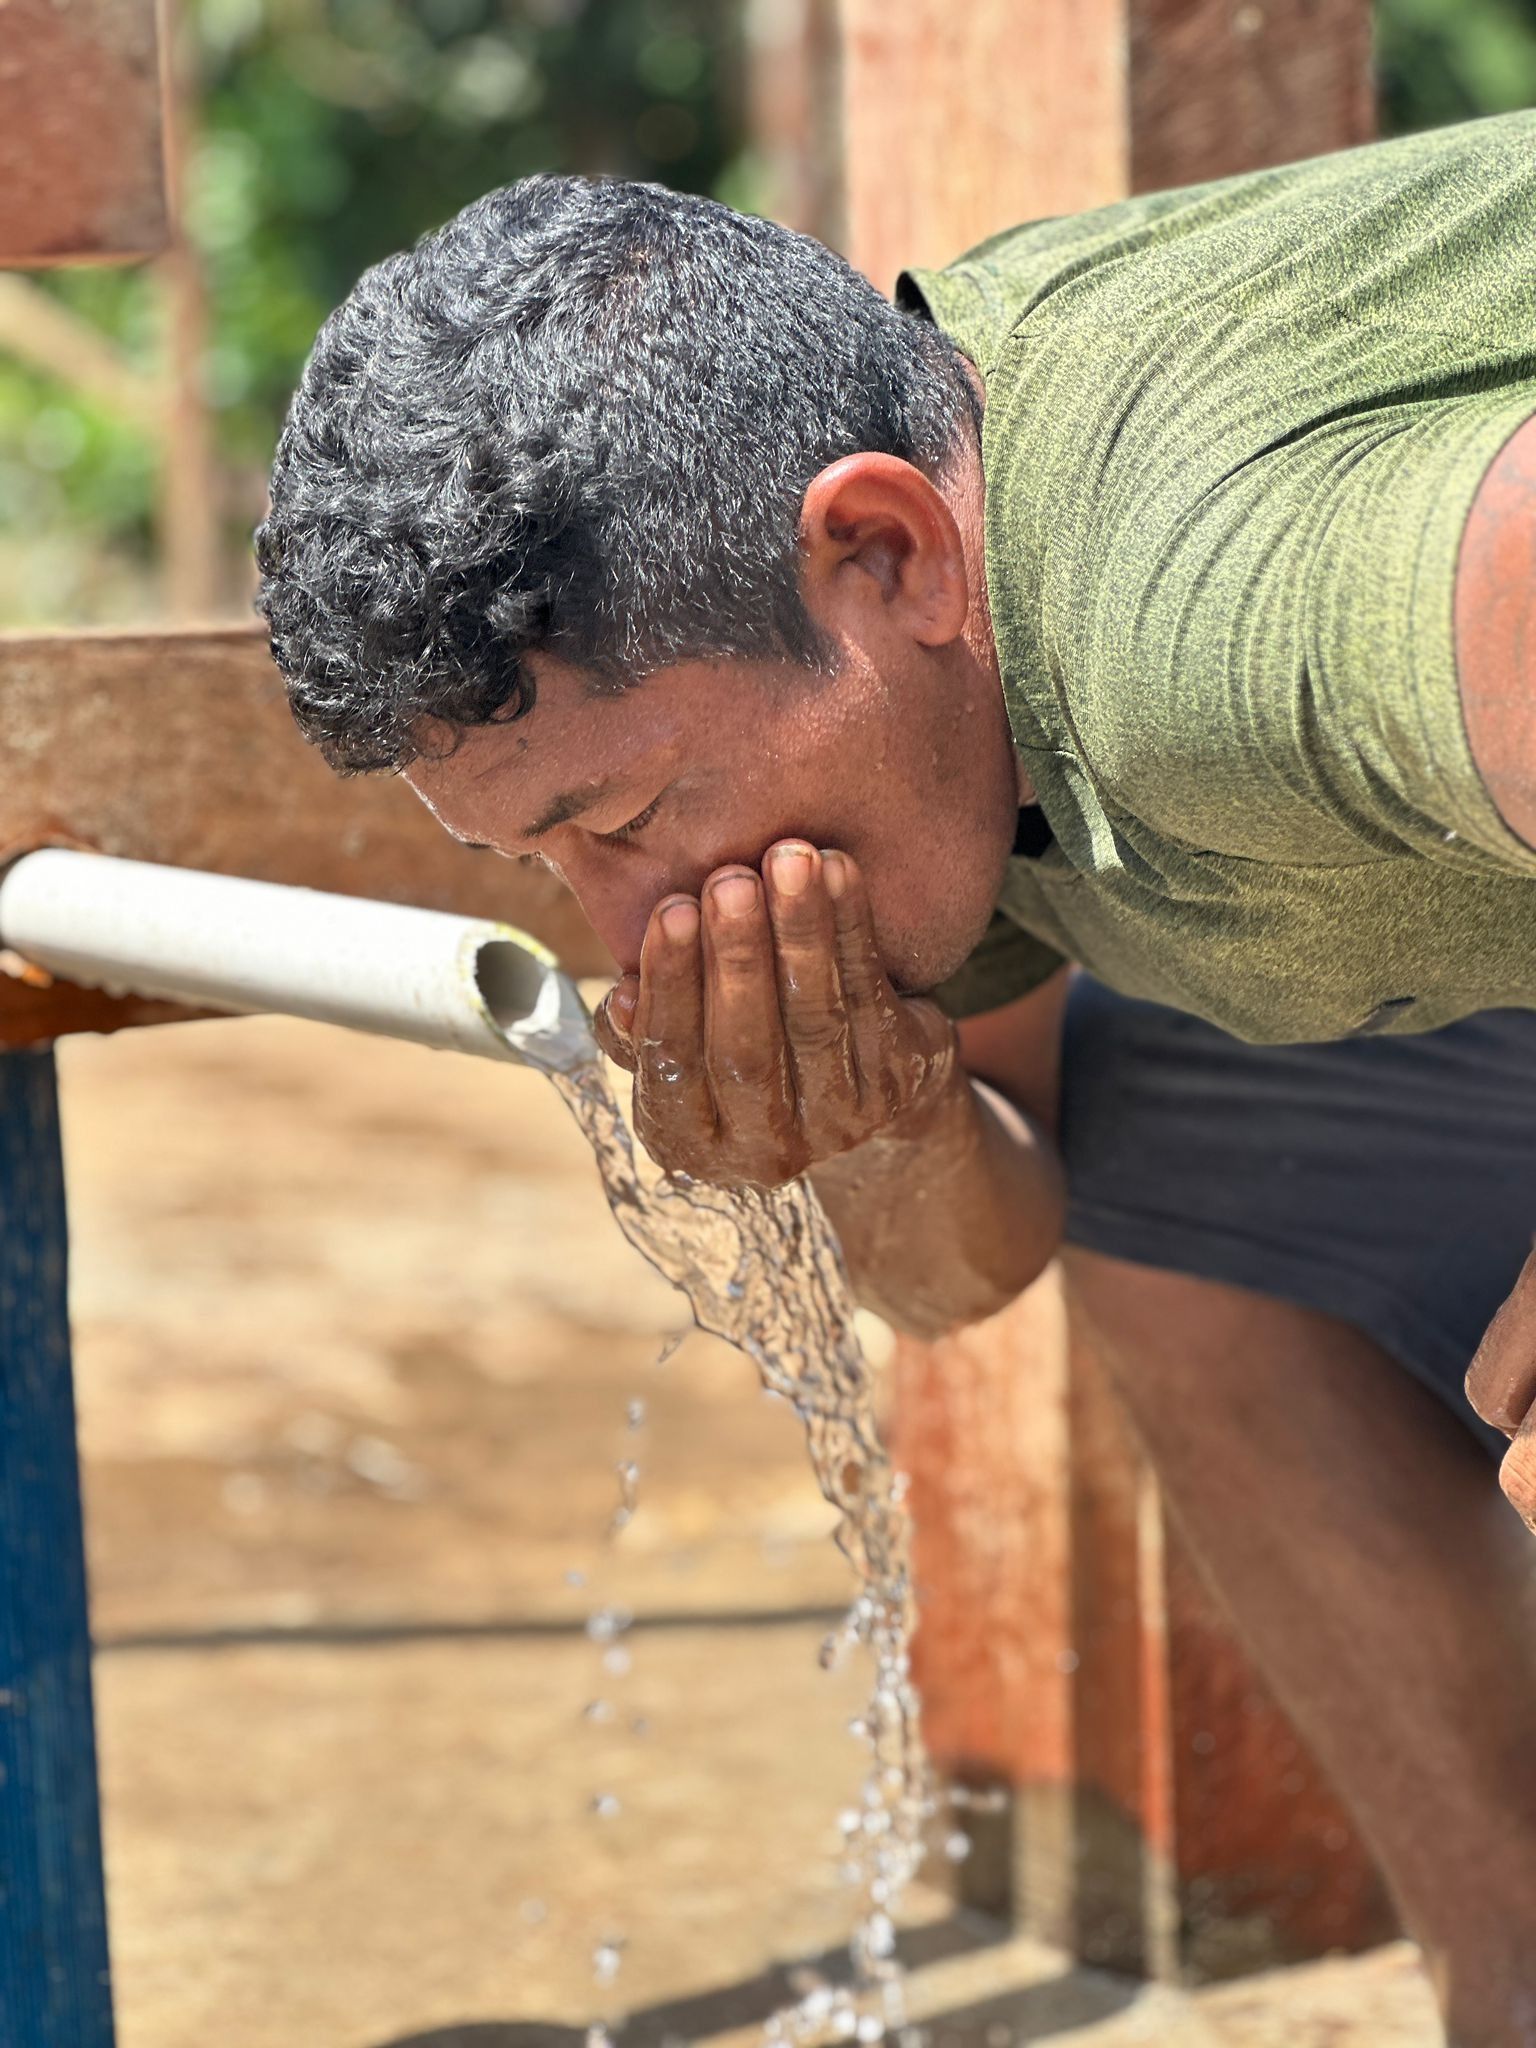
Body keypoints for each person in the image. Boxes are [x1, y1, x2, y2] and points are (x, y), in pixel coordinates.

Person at [256, 114, 1536, 2044]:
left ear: (884, 549)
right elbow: (972, 1265)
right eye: (546, 866)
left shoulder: (1206, 611)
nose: (628, 925)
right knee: (1177, 1160)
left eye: (625, 816)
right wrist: (879, 1125)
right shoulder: (941, 708)